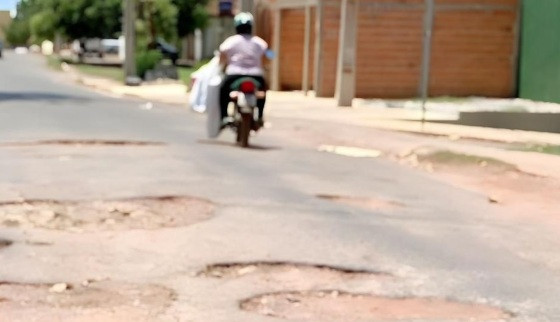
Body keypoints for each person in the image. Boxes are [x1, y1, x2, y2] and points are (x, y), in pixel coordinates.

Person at [218, 12, 268, 127]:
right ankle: (260, 116)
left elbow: (222, 54)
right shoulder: (259, 42)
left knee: (223, 91)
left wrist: (222, 66)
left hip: (234, 74)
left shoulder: (231, 41)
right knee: (263, 92)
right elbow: (267, 56)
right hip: (256, 75)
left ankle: (224, 117)